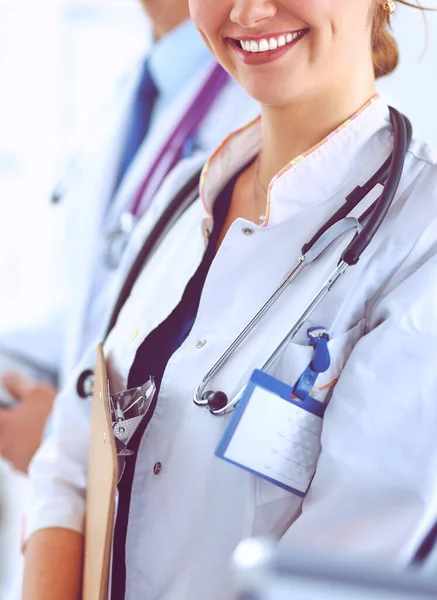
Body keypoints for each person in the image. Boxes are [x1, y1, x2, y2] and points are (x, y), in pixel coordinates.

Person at [23, 0, 437, 599]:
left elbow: (323, 581)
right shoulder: (180, 195)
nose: (246, 10)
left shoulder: (420, 239)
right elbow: (70, 456)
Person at [0, 0, 259, 473]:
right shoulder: (141, 83)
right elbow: (97, 298)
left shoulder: (261, 100)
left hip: (145, 489)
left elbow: (222, 356)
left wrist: (65, 440)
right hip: (75, 477)